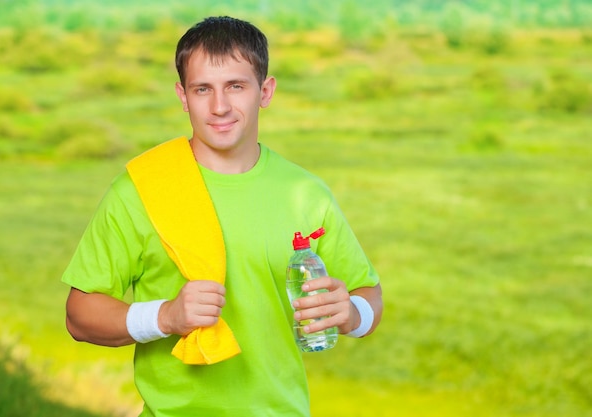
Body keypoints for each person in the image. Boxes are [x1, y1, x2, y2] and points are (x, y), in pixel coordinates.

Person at [62, 16, 382, 417]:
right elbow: (79, 316)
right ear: (182, 96)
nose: (220, 107)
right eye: (202, 89)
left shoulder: (306, 194)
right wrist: (165, 316)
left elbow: (369, 293)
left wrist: (354, 314)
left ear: (265, 91)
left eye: (236, 86)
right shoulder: (140, 190)